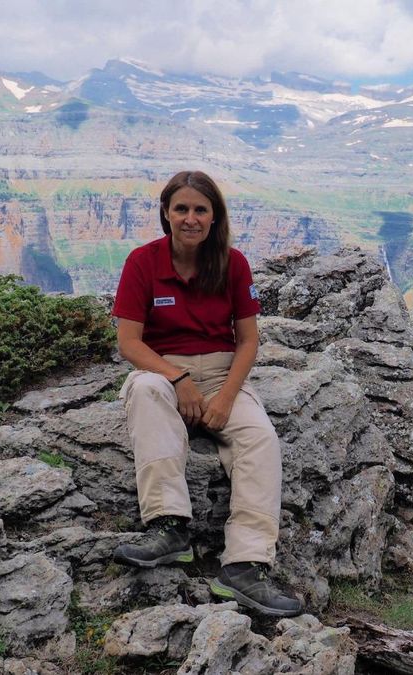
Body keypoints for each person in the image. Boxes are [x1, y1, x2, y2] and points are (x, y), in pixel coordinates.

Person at [109, 170, 301, 617]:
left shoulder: (233, 265)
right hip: (162, 369)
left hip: (221, 371)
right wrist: (177, 378)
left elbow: (248, 341)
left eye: (200, 209)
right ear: (165, 213)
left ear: (214, 217)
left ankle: (245, 567)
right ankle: (169, 527)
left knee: (260, 439)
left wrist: (226, 397)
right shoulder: (142, 262)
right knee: (146, 392)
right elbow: (130, 343)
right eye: (181, 209)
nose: (190, 218)